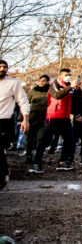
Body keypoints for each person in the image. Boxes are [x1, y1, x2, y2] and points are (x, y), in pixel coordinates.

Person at [30, 68, 76, 172]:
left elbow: (74, 100)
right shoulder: (54, 85)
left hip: (65, 118)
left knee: (69, 140)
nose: (68, 76)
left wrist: (76, 88)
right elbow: (57, 95)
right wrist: (70, 87)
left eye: (69, 74)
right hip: (53, 117)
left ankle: (62, 162)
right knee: (45, 141)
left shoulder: (70, 87)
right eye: (65, 75)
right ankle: (36, 163)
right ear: (60, 76)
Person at [0, 59, 30, 190]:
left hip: (4, 121)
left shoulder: (13, 83)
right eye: (0, 67)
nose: (2, 69)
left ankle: (3, 176)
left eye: (4, 67)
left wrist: (25, 119)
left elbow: (23, 101)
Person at [24, 74, 50, 159]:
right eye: (40, 81)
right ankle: (28, 155)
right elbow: (25, 103)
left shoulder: (50, 91)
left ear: (47, 82)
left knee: (41, 139)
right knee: (29, 138)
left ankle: (38, 158)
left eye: (44, 81)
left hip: (44, 119)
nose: (41, 83)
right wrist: (21, 119)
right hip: (32, 118)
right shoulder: (33, 91)